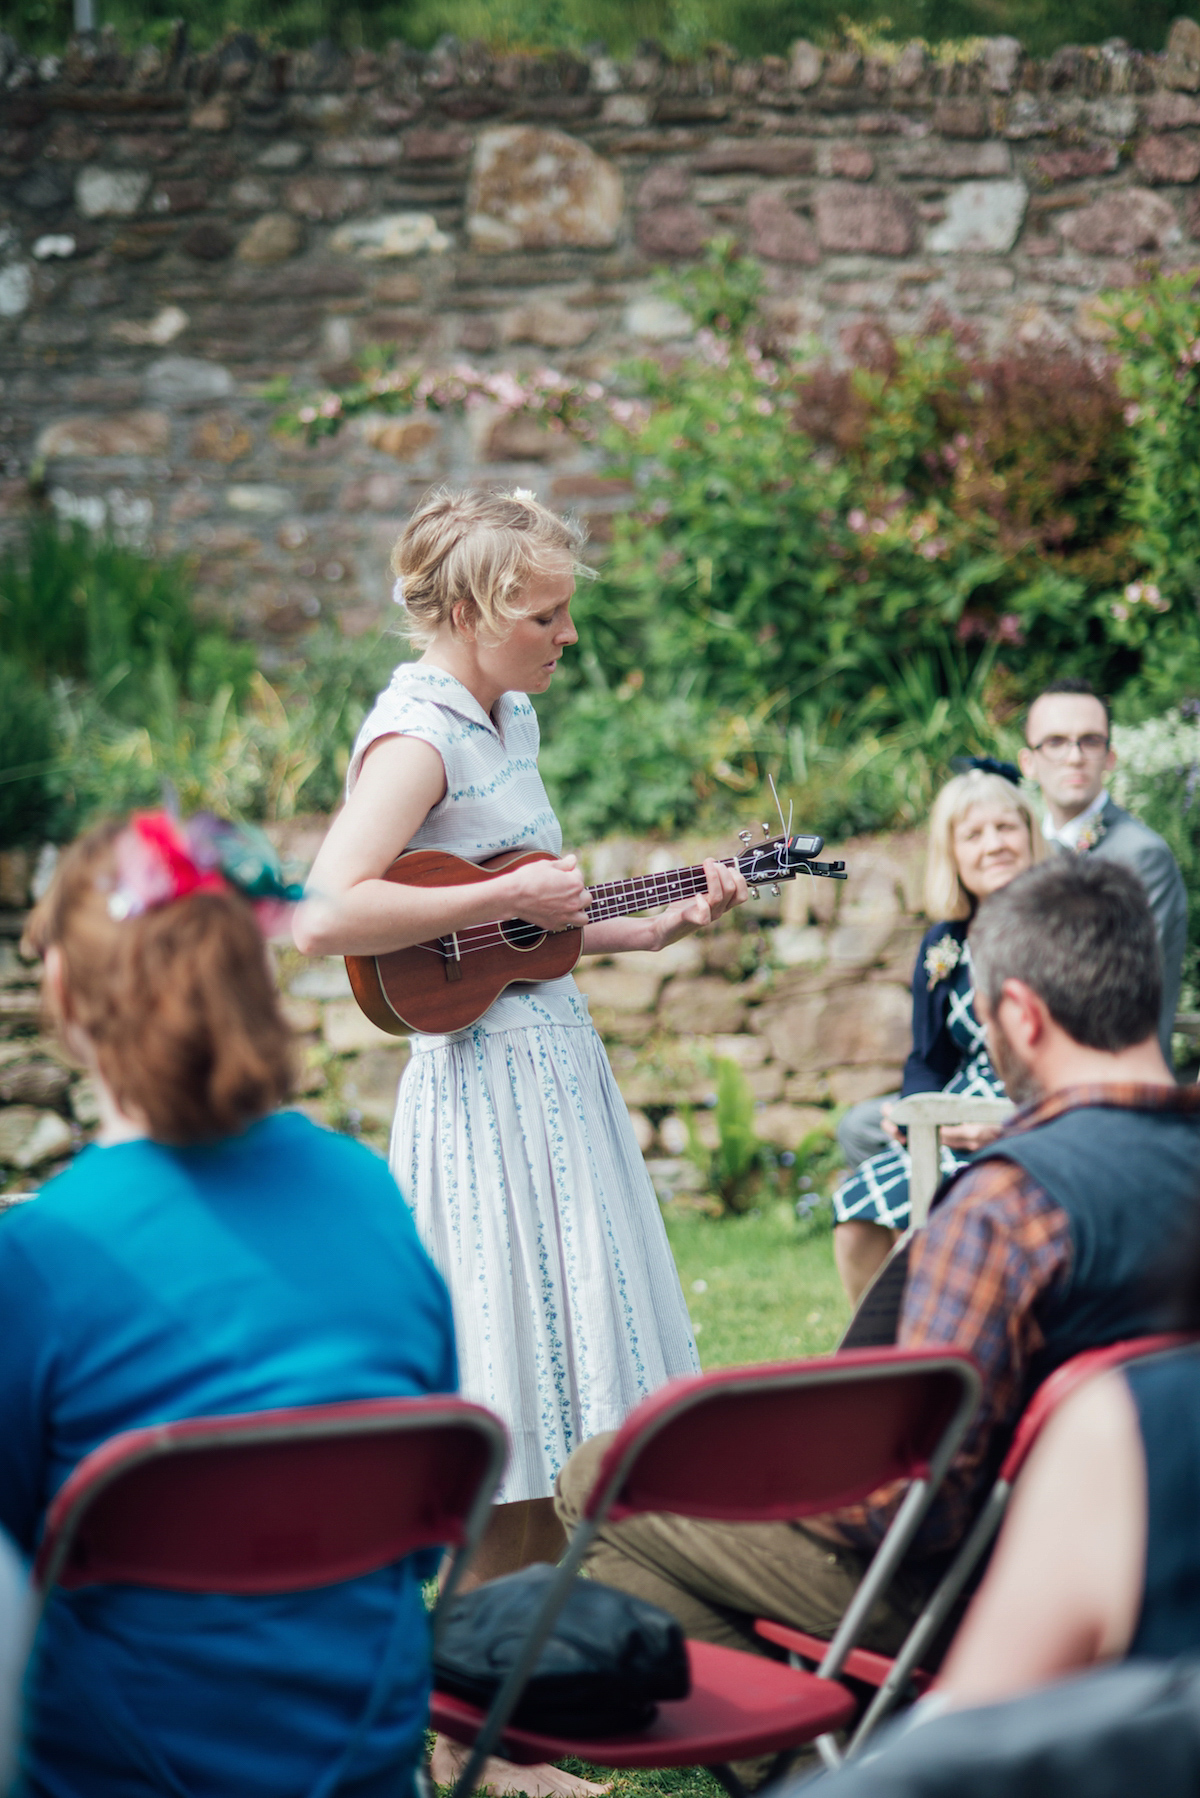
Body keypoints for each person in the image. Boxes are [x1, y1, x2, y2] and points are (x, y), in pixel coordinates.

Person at [294, 488, 745, 1797]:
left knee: (557, 1403)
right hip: (483, 1095)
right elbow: (328, 914)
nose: (564, 634)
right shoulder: (418, 733)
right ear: (471, 615)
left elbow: (514, 938)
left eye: (563, 610)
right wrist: (510, 889)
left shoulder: (513, 713)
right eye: (542, 614)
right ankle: (456, 1735)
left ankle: (507, 1723)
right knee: (504, 1388)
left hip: (549, 1067)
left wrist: (629, 926)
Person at [555, 857, 1200, 1683]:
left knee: (599, 1476)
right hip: (1159, 1574)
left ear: (1021, 1017)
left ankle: (837, 1758)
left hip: (983, 1595)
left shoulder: (1009, 1207)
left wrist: (779, 1472)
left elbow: (910, 1513)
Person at [0, 812, 458, 1798]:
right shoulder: (368, 1196)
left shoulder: (36, 1259)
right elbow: (419, 1529)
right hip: (364, 1772)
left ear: (67, 995)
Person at [832, 767, 1043, 1305]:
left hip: (1034, 1114)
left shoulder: (1065, 922)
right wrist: (913, 1109)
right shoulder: (944, 942)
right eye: (974, 834)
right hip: (952, 1116)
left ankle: (938, 1352)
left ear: (1030, 833)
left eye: (1006, 827)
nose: (994, 844)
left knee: (923, 1239)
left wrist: (1008, 1124)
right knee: (857, 1210)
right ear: (951, 853)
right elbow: (927, 1057)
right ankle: (884, 1364)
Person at [1020, 677, 1187, 1057]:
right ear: (1028, 762)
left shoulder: (1141, 856)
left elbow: (1124, 995)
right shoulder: (1020, 853)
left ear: (1110, 757)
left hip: (1109, 1069)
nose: (1074, 756)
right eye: (1056, 741)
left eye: (1090, 740)